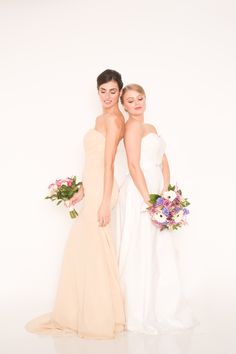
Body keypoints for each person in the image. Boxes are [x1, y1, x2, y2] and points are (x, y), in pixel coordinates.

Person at [25, 69, 126, 339]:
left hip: (104, 190)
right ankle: (86, 312)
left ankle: (101, 317)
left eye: (113, 91)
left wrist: (104, 202)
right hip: (93, 186)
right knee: (83, 250)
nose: (107, 96)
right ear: (97, 92)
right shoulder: (99, 118)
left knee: (93, 252)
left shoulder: (115, 120)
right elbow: (92, 161)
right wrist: (83, 188)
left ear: (120, 92)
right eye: (103, 91)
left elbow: (107, 165)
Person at [115, 84, 198, 334]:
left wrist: (166, 192)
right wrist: (148, 200)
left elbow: (163, 159)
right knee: (141, 247)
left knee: (159, 248)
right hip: (140, 191)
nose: (137, 103)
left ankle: (162, 308)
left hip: (157, 188)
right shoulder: (131, 128)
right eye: (130, 101)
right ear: (124, 105)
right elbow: (133, 165)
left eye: (140, 98)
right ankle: (138, 312)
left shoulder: (150, 127)